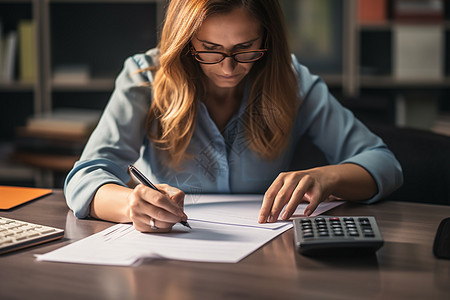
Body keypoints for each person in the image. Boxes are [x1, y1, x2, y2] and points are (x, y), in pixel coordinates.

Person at [64, 0, 403, 233]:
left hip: (268, 257)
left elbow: (384, 163)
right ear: (185, 42)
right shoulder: (145, 77)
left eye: (245, 48)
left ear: (267, 39)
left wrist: (329, 177)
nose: (228, 68)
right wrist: (130, 204)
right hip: (168, 258)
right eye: (210, 49)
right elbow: (86, 177)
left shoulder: (293, 81)